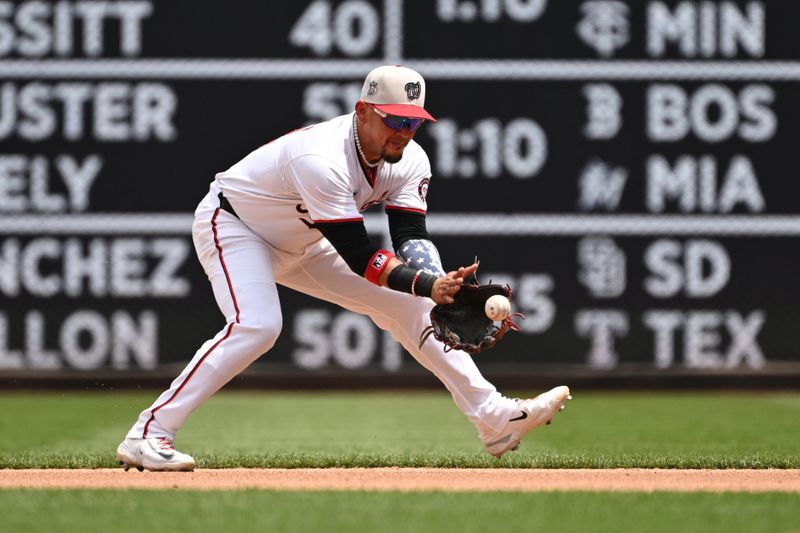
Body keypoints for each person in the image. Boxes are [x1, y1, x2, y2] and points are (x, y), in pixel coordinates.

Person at [116, 65, 571, 472]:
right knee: (258, 325)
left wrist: (437, 284)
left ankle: (494, 420)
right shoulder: (321, 158)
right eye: (394, 119)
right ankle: (147, 434)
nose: (404, 132)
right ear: (363, 111)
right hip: (236, 226)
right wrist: (427, 285)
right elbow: (360, 256)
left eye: (413, 122)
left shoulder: (409, 160)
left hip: (306, 240)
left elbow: (410, 235)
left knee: (411, 309)